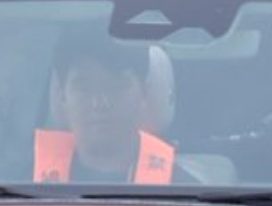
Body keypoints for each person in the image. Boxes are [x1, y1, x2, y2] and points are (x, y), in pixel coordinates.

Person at [34, 34, 184, 185]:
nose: (100, 103)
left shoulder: (183, 194)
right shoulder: (23, 189)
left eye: (116, 87)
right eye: (84, 88)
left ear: (144, 91)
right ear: (62, 96)